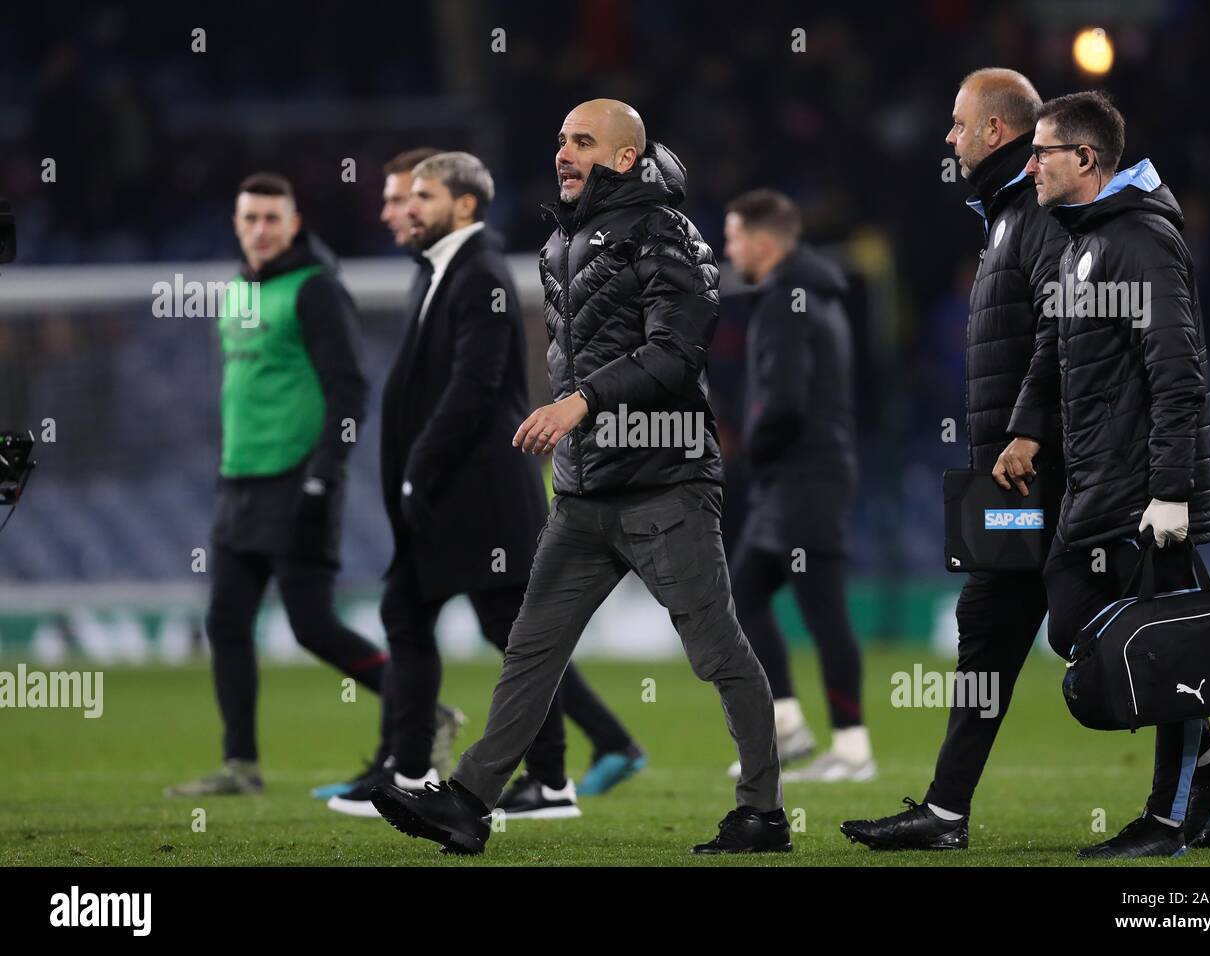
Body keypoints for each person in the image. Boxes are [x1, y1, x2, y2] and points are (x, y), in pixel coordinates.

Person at [369, 99, 789, 855]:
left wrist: (580, 401)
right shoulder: (563, 240)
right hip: (586, 489)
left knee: (717, 652)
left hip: (666, 484)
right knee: (531, 648)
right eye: (561, 139)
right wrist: (576, 422)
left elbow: (676, 355)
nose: (563, 152)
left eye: (583, 142)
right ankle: (469, 802)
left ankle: (762, 812)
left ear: (626, 157)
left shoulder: (669, 236)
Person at [326, 151, 642, 819]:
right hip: (454, 494)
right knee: (416, 617)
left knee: (507, 633)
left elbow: (474, 390)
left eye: (422, 198)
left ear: (464, 205)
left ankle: (542, 780)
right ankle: (415, 770)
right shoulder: (443, 273)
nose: (406, 209)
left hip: (479, 496)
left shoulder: (480, 275)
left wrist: (419, 467)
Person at [995, 90, 1210, 858]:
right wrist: (1026, 430)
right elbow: (1053, 348)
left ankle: (1168, 823)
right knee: (1076, 626)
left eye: (1041, 152)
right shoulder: (1082, 241)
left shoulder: (1140, 239)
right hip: (1094, 487)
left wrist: (1171, 492)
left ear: (1084, 159)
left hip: (1142, 493)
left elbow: (1179, 374)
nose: (1029, 164)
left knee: (1169, 654)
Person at [843, 68, 1067, 848]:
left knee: (1090, 629)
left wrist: (1032, 429)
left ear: (997, 132)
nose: (949, 137)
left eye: (959, 123)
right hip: (1009, 473)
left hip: (1050, 474)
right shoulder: (1007, 212)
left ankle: (1205, 769)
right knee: (987, 625)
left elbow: (1063, 334)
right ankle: (944, 812)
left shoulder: (1037, 214)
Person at [168, 173, 385, 797]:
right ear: (237, 225)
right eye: (249, 218)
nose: (260, 229)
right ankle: (241, 765)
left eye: (272, 218)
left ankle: (421, 710)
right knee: (226, 622)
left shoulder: (316, 289)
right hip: (239, 483)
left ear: (293, 225)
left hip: (299, 481)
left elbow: (350, 390)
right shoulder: (235, 291)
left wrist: (326, 469)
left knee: (311, 624)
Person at [721, 188, 873, 782]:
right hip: (800, 475)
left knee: (823, 611)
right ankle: (786, 725)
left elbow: (781, 401)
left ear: (761, 241)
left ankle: (853, 748)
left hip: (803, 476)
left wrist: (747, 454)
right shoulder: (814, 296)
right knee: (745, 594)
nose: (728, 249)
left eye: (733, 237)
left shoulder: (788, 301)